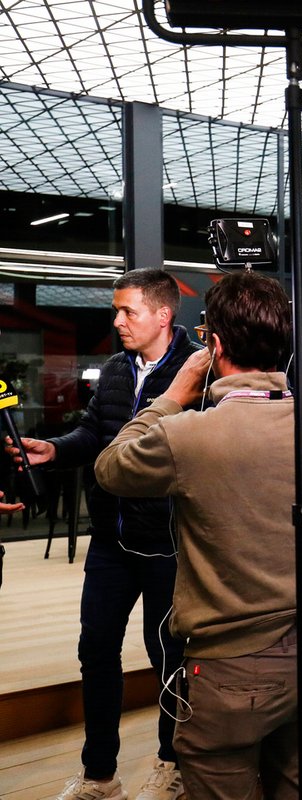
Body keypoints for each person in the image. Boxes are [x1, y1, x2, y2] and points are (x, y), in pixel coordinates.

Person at [93, 270, 302, 800]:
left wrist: (173, 396)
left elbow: (111, 467)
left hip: (231, 668)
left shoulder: (191, 436)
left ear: (215, 343)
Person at [9, 269, 199, 800]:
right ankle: (99, 776)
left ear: (164, 314)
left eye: (128, 311)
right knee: (95, 650)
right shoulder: (117, 369)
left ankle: (173, 764)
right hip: (111, 541)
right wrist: (56, 447)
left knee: (169, 659)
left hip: (168, 544)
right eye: (117, 311)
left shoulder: (197, 374)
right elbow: (96, 431)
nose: (117, 322)